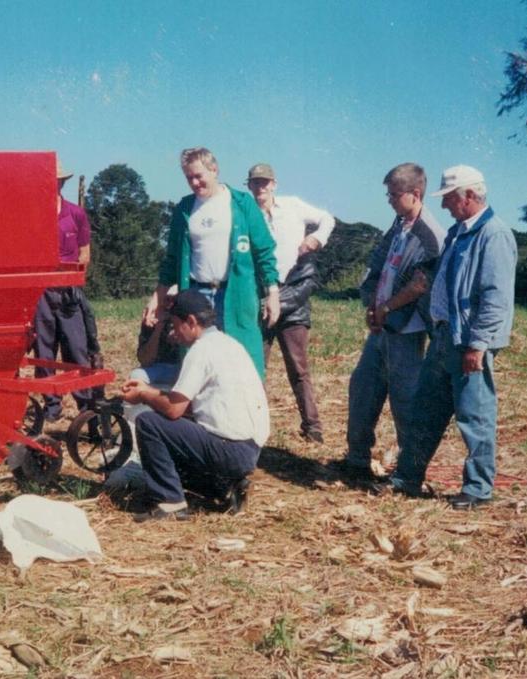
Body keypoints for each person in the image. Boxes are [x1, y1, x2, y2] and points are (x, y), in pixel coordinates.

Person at [380, 165, 517, 510]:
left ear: (470, 195)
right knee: (425, 412)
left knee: (474, 415)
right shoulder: (458, 233)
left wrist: (478, 344)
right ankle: (406, 478)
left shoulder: (494, 235)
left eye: (450, 199)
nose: (443, 207)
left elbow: (495, 296)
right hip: (444, 336)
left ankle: (478, 489)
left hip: (468, 342)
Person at [337, 163, 445, 487]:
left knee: (405, 401)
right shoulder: (399, 225)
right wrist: (372, 306)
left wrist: (386, 308)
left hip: (406, 332)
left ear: (415, 194)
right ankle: (357, 459)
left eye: (395, 195)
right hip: (383, 327)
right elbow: (380, 266)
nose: (389, 200)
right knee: (363, 388)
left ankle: (409, 472)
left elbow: (420, 284)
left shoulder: (430, 234)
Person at [121, 290, 269, 522]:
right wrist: (149, 391)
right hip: (250, 449)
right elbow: (189, 404)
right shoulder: (228, 344)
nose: (173, 332)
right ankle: (225, 486)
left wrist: (143, 395)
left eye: (175, 324)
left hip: (229, 450)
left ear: (191, 321)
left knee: (148, 423)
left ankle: (170, 503)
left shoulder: (200, 351)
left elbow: (173, 409)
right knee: (176, 438)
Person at [143, 147, 280, 379]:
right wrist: (157, 296)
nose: (195, 182)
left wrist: (273, 293)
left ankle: (248, 410)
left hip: (236, 294)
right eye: (189, 178)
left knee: (242, 354)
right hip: (197, 293)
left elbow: (264, 251)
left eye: (199, 176)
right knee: (197, 359)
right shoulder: (185, 209)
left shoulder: (242, 203)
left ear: (214, 170)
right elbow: (172, 260)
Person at [246, 162, 334, 443]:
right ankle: (252, 428)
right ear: (249, 186)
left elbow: (326, 219)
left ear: (274, 184)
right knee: (255, 367)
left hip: (294, 295)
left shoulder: (294, 206)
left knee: (298, 368)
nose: (260, 188)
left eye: (264, 182)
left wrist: (316, 239)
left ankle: (313, 427)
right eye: (255, 183)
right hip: (260, 298)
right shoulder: (247, 216)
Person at [34, 160, 97, 421]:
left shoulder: (76, 214)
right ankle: (52, 407)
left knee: (77, 347)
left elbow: (84, 252)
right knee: (44, 348)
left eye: (56, 181)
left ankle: (87, 408)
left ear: (61, 183)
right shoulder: (34, 215)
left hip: (69, 290)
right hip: (41, 291)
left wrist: (74, 276)